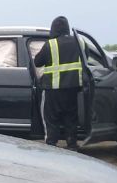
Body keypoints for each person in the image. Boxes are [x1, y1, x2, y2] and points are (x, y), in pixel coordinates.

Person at [34, 16, 84, 150]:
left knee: (51, 119)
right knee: (71, 118)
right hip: (73, 88)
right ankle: (72, 144)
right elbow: (86, 59)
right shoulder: (80, 43)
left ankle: (51, 145)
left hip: (53, 89)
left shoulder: (51, 44)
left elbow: (37, 62)